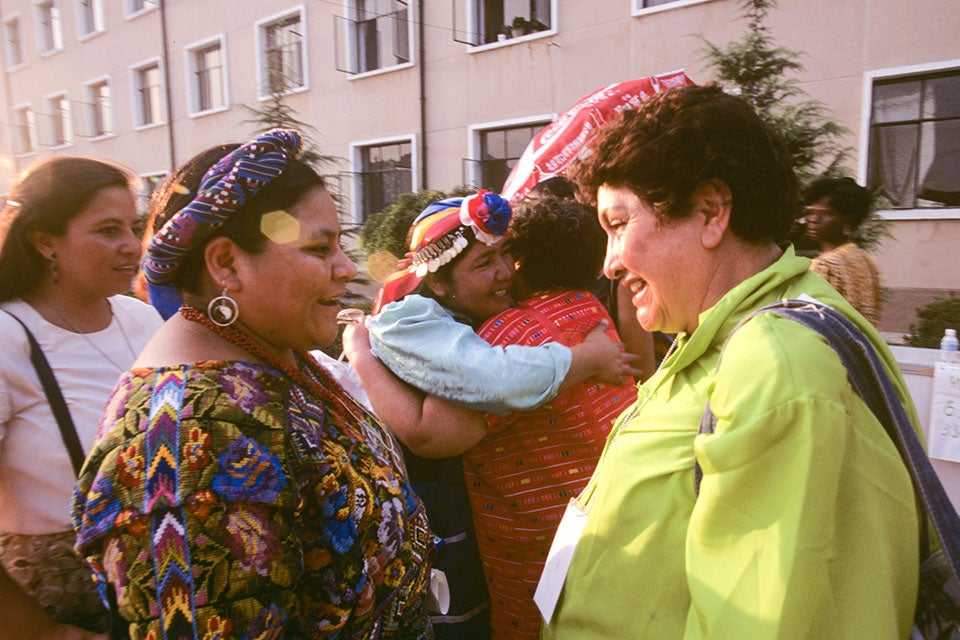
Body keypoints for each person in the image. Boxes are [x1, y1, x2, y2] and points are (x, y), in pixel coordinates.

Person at [538, 84, 923, 639]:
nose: (610, 263)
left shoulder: (774, 364)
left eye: (619, 224)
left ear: (711, 211)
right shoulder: (726, 335)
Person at [71, 129, 433, 639]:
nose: (346, 268)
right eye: (318, 247)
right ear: (226, 263)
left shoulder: (274, 354)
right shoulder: (186, 442)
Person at [342, 191, 638, 639]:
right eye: (485, 263)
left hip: (543, 545)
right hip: (598, 535)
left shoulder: (503, 326)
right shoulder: (581, 308)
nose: (504, 272)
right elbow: (450, 415)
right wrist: (361, 353)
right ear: (438, 284)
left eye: (506, 255)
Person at [0, 156, 163, 639]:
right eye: (108, 230)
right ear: (44, 239)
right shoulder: (9, 337)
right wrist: (43, 632)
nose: (132, 246)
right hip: (64, 602)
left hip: (161, 581)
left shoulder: (142, 320)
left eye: (134, 228)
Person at [803, 176, 883, 327]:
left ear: (848, 220)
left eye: (826, 214)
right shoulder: (862, 259)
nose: (813, 219)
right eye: (811, 211)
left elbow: (809, 322)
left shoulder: (825, 266)